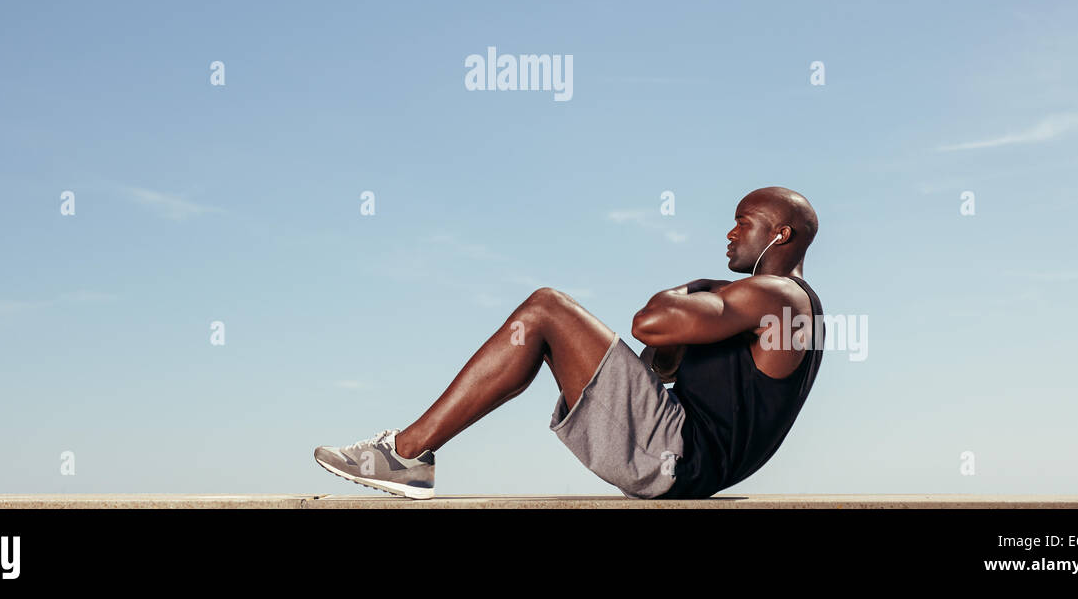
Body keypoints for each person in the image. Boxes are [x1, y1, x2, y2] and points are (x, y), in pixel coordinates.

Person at [314, 186, 824, 500]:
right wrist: (689, 322)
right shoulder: (778, 307)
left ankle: (405, 453)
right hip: (689, 461)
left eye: (743, 221)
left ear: (780, 235)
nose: (730, 233)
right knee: (547, 322)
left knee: (545, 308)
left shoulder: (777, 295)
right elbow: (662, 362)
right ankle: (409, 455)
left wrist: (693, 288)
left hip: (679, 453)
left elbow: (650, 324)